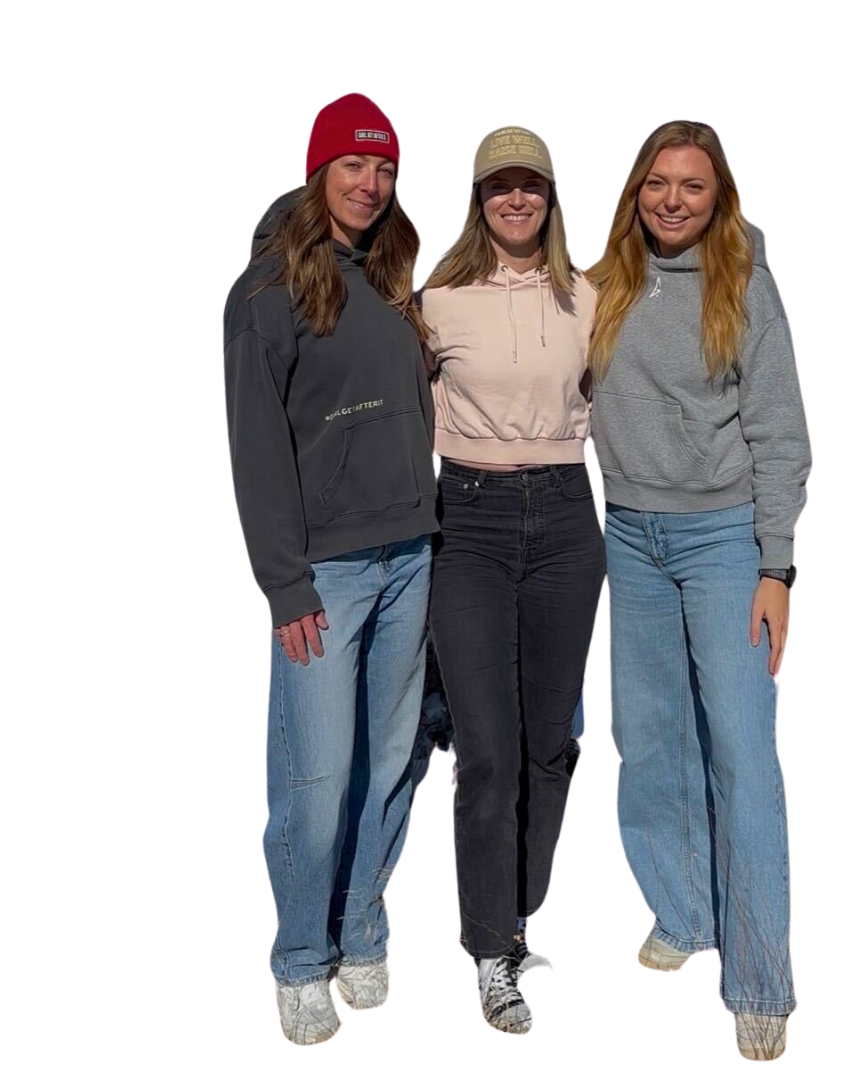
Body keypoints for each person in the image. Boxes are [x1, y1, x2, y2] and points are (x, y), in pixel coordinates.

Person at [586, 119, 811, 1063]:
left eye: (692, 186)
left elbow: (781, 430)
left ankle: (761, 983)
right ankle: (684, 919)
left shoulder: (745, 283)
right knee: (649, 740)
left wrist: (774, 567)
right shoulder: (609, 279)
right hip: (627, 535)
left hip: (722, 540)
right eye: (657, 183)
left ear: (719, 197)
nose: (672, 200)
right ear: (635, 189)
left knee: (743, 754)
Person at [223, 93, 438, 1047]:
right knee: (316, 776)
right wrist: (285, 578)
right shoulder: (267, 291)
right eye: (354, 164)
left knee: (387, 764)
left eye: (386, 168)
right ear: (319, 172)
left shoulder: (391, 278)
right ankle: (300, 959)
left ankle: (362, 940)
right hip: (325, 574)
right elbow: (256, 446)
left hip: (409, 556)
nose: (371, 183)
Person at [419, 126, 606, 1035]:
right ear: (480, 199)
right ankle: (490, 953)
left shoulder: (590, 297)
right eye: (501, 186)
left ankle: (529, 925)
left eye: (531, 184)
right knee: (486, 748)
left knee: (548, 746)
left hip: (567, 520)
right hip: (470, 523)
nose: (517, 199)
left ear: (552, 196)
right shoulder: (437, 300)